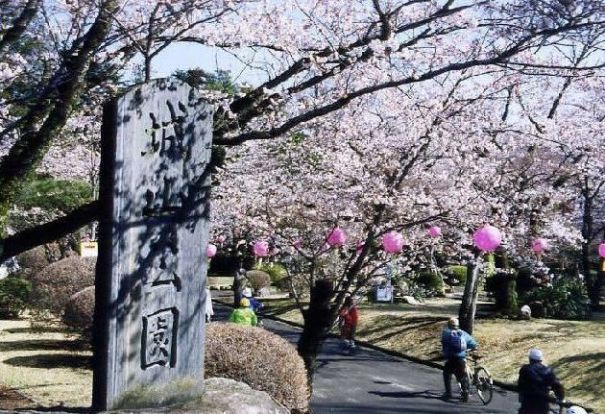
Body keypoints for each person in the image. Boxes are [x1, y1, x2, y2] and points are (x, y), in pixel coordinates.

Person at [441, 317, 477, 402]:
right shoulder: (463, 333)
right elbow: (473, 344)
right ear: (458, 325)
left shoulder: (446, 333)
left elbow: (444, 345)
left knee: (447, 373)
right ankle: (465, 393)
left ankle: (448, 393)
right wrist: (466, 349)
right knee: (462, 376)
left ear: (449, 325)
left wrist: (445, 355)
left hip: (451, 358)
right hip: (461, 358)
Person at [518, 348, 564, 414]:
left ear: (530, 359)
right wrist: (560, 398)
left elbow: (520, 386)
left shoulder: (525, 369)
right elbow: (557, 386)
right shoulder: (548, 371)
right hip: (542, 406)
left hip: (527, 405)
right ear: (540, 359)